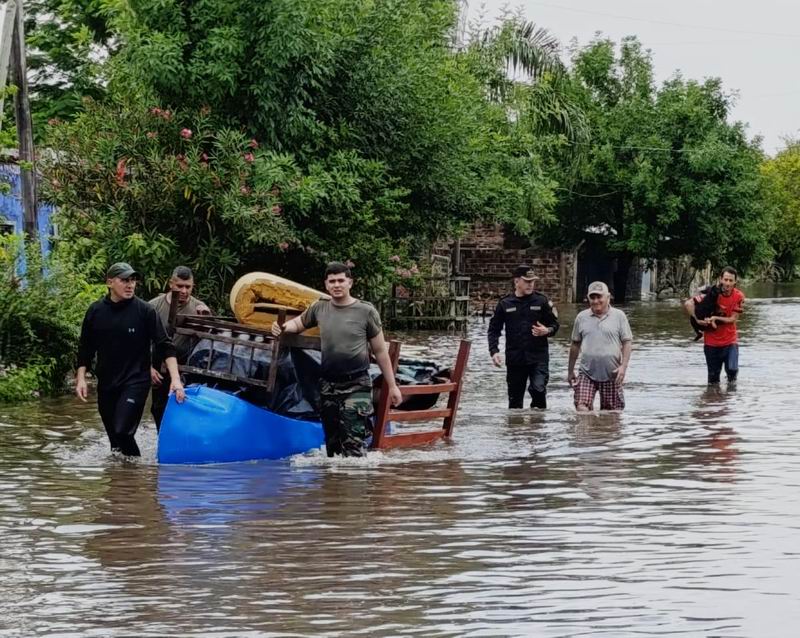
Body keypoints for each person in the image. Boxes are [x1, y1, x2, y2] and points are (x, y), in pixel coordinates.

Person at [271, 262, 403, 457]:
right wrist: (281, 328)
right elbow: (298, 324)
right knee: (332, 449)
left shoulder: (366, 311)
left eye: (341, 280)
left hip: (357, 384)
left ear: (350, 283)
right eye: (332, 281)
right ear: (326, 284)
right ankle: (334, 478)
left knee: (353, 447)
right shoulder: (320, 307)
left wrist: (392, 386)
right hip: (328, 386)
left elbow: (380, 351)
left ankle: (357, 476)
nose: (337, 285)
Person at [76, 262, 185, 456]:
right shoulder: (95, 311)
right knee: (115, 443)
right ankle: (126, 474)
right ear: (110, 282)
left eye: (133, 280)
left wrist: (175, 380)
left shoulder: (145, 311)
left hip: (136, 380)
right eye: (124, 280)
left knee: (123, 432)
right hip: (107, 383)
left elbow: (165, 345)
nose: (130, 285)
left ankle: (136, 471)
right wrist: (81, 378)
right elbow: (85, 348)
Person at [487, 265, 560, 409]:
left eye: (532, 281)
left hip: (538, 357)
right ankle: (517, 424)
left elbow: (555, 325)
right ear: (516, 281)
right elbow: (494, 330)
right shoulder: (505, 303)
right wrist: (494, 351)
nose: (530, 284)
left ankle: (537, 421)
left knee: (538, 390)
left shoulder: (541, 301)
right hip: (515, 359)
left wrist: (547, 330)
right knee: (515, 403)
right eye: (527, 281)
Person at [149, 266, 211, 430]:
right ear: (171, 284)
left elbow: (208, 340)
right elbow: (140, 340)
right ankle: (161, 438)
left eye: (188, 287)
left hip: (186, 366)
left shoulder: (199, 307)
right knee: (158, 408)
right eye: (180, 286)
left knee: (183, 407)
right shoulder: (154, 306)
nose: (184, 291)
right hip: (159, 364)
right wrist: (148, 367)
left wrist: (205, 318)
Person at [567, 281, 633, 411]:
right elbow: (575, 344)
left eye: (599, 297)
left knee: (612, 413)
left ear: (608, 297)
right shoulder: (581, 317)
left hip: (612, 373)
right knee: (582, 407)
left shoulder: (619, 316)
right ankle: (586, 425)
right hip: (586, 372)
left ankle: (601, 425)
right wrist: (570, 371)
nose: (596, 301)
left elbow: (627, 342)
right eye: (592, 297)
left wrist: (623, 367)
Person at [684, 266, 745, 384]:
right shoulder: (710, 294)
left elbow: (733, 319)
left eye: (731, 280)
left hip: (730, 341)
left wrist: (715, 318)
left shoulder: (739, 296)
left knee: (732, 372)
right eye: (725, 280)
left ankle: (731, 395)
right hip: (711, 343)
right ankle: (714, 395)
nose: (728, 283)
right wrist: (697, 319)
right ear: (721, 279)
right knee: (713, 380)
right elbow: (688, 303)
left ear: (735, 282)